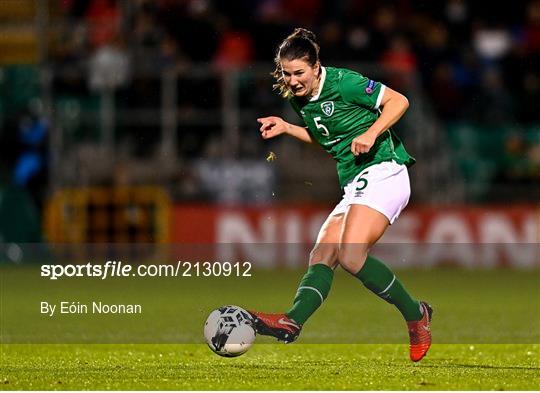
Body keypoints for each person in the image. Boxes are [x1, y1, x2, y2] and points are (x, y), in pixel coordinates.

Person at [249, 28, 433, 362]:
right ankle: (292, 320)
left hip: (384, 169)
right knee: (322, 254)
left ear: (317, 67)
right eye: (286, 74)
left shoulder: (345, 82)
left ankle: (415, 315)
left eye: (299, 73)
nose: (292, 81)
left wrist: (372, 131)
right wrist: (288, 128)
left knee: (350, 255)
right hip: (355, 181)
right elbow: (328, 137)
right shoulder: (298, 98)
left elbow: (399, 101)